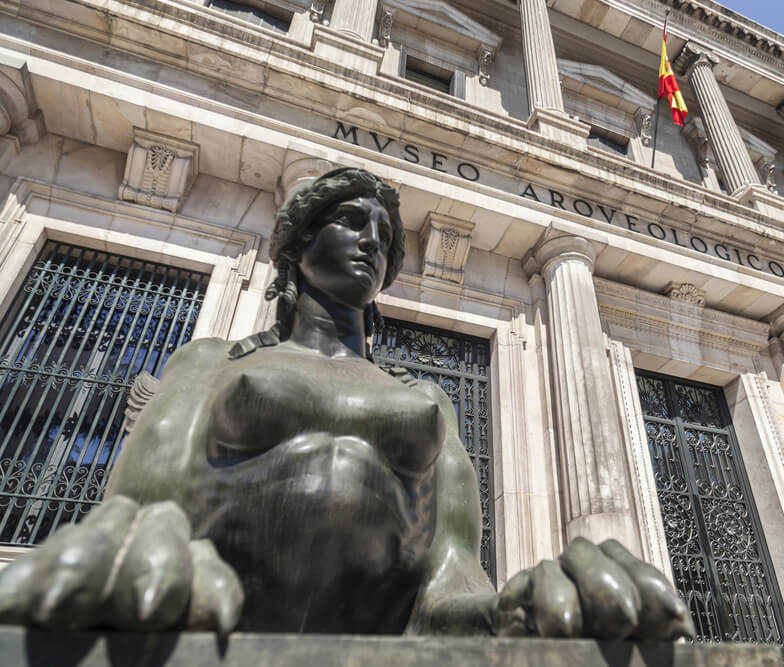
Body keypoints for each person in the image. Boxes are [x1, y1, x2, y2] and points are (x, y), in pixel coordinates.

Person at [0, 168, 692, 640]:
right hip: (205, 621)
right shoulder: (214, 362)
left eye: (384, 236)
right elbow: (139, 510)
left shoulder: (427, 401)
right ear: (298, 247)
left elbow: (450, 579)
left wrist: (527, 606)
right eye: (351, 222)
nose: (373, 239)